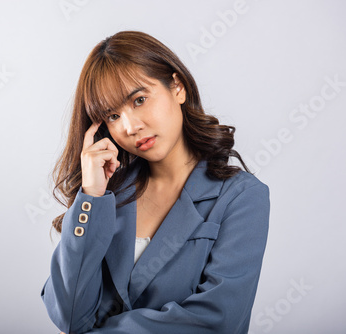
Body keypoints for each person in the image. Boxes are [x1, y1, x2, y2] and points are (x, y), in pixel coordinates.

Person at [40, 30, 270, 334]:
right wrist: (91, 196)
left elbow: (217, 320)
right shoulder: (108, 196)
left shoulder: (241, 197)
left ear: (177, 87)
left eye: (139, 100)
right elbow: (70, 317)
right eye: (112, 115)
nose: (130, 126)